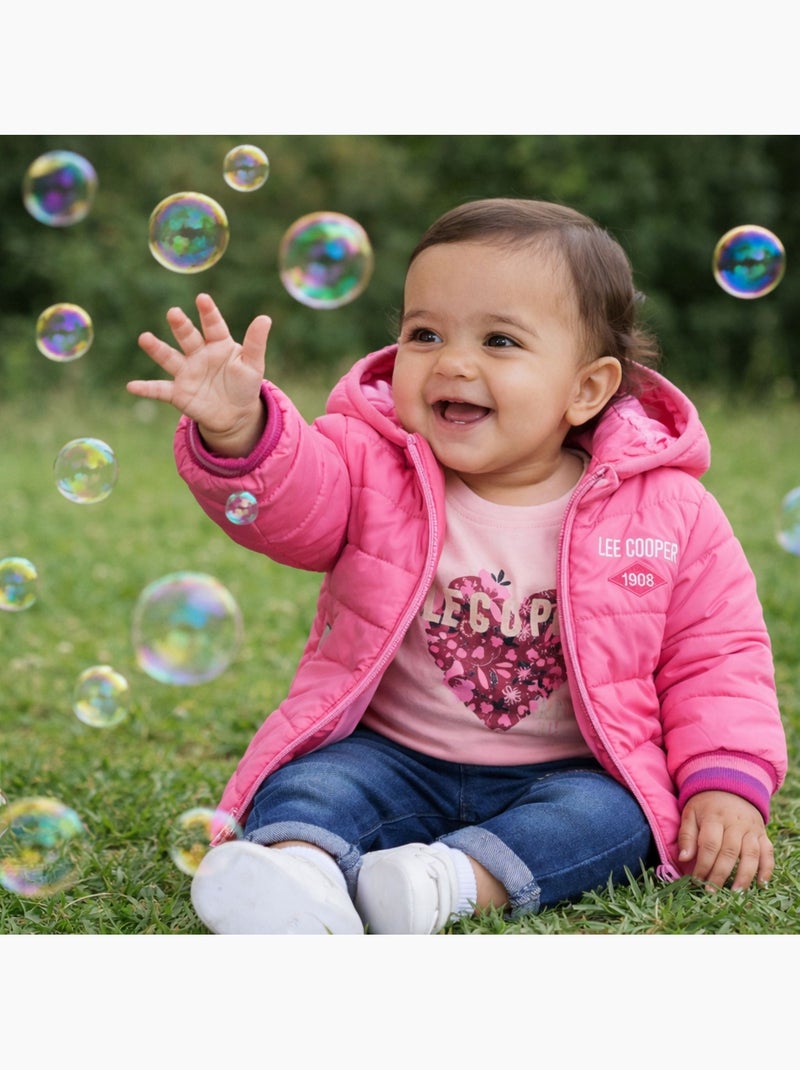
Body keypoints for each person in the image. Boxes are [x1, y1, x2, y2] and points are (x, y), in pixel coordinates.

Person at [128, 197, 787, 935]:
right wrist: (241, 428)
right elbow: (294, 504)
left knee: (618, 821)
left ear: (587, 388)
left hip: (568, 772)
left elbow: (718, 658)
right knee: (312, 785)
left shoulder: (668, 512)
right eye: (425, 333)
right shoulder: (370, 463)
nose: (454, 361)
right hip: (390, 754)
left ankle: (440, 884)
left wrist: (725, 781)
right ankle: (297, 872)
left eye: (500, 340)